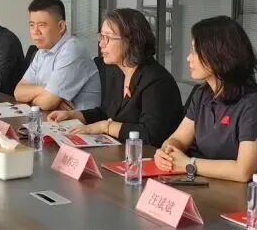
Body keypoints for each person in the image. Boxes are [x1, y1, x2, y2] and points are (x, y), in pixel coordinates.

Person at [153, 16, 257, 182]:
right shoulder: (202, 94)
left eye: (195, 51)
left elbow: (243, 171)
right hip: (210, 185)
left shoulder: (253, 104)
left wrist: (189, 163)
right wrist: (167, 152)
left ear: (219, 54)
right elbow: (179, 139)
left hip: (252, 194)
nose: (189, 58)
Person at [48, 8, 182, 147]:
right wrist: (74, 115)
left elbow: (150, 135)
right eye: (101, 36)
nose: (101, 44)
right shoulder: (116, 71)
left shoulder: (157, 81)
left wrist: (105, 127)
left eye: (108, 38)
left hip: (145, 156)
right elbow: (106, 112)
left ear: (131, 41)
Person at [14, 0, 101, 111]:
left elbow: (47, 103)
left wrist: (39, 98)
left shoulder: (72, 50)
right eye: (32, 25)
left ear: (61, 26)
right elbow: (18, 92)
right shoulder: (42, 52)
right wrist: (45, 90)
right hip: (53, 118)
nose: (35, 31)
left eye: (41, 25)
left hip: (79, 121)